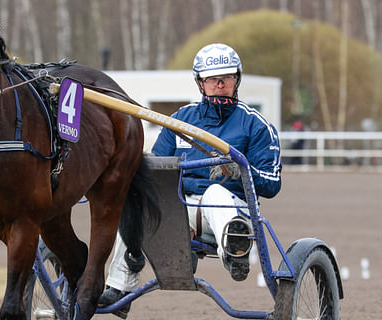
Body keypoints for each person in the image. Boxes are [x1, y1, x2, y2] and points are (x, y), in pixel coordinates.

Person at [98, 43, 282, 318]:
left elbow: (271, 184)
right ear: (200, 83)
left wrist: (240, 170)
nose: (220, 85)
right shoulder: (180, 120)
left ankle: (235, 253)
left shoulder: (255, 125)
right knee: (137, 201)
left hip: (229, 210)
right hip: (180, 210)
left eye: (227, 78)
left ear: (237, 79)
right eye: (212, 79)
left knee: (215, 194)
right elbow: (156, 169)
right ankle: (119, 289)